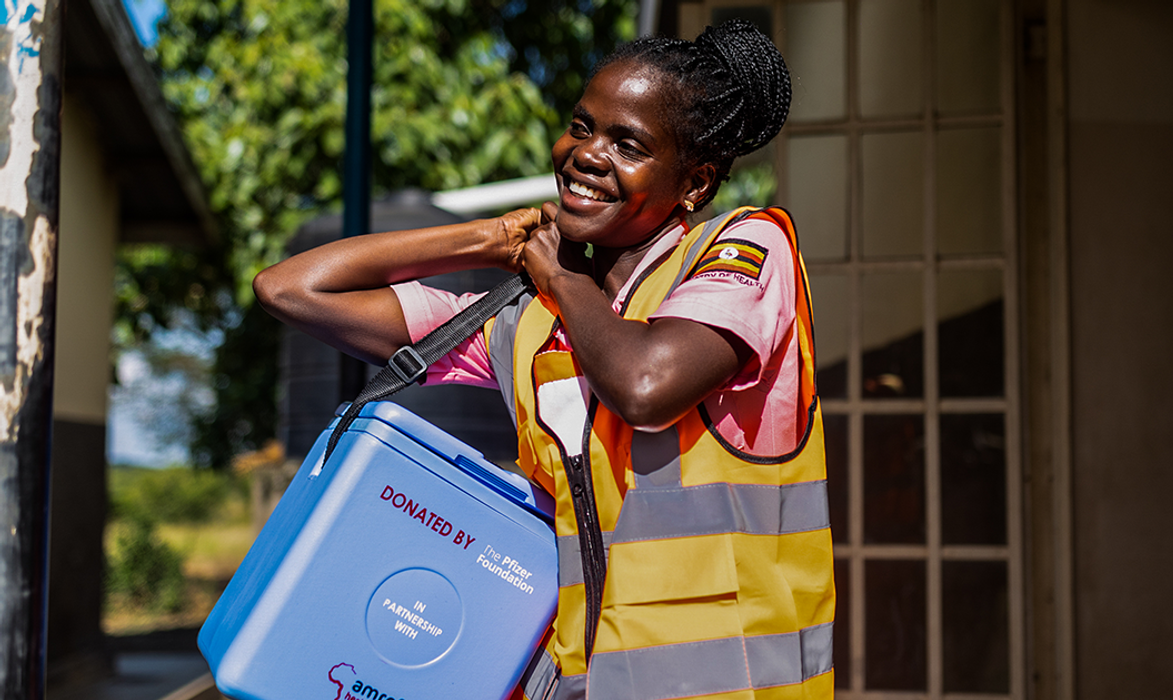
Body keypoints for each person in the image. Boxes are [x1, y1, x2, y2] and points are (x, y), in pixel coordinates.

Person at [254, 19, 835, 700]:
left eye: (628, 144)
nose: (586, 154)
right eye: (581, 127)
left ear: (695, 183)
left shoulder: (744, 247)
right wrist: (489, 238)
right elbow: (290, 287)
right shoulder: (527, 323)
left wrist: (562, 277)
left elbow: (645, 384)